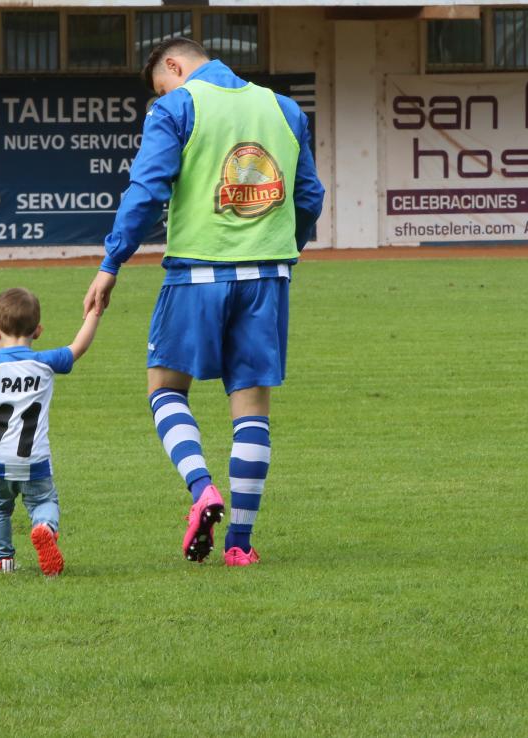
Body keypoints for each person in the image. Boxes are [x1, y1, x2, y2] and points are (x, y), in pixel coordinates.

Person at [83, 38, 324, 566]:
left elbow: (147, 192)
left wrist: (112, 261)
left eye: (163, 84)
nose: (163, 94)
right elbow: (310, 197)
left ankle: (202, 488)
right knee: (252, 407)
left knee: (165, 390)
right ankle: (240, 545)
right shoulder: (283, 108)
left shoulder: (176, 107)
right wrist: (284, 247)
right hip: (268, 276)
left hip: (196, 274)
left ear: (174, 65)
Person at [0, 287, 100, 575]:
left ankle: (2, 561)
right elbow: (78, 348)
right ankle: (44, 528)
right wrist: (94, 314)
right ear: (37, 331)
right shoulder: (44, 363)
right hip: (33, 460)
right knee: (44, 501)